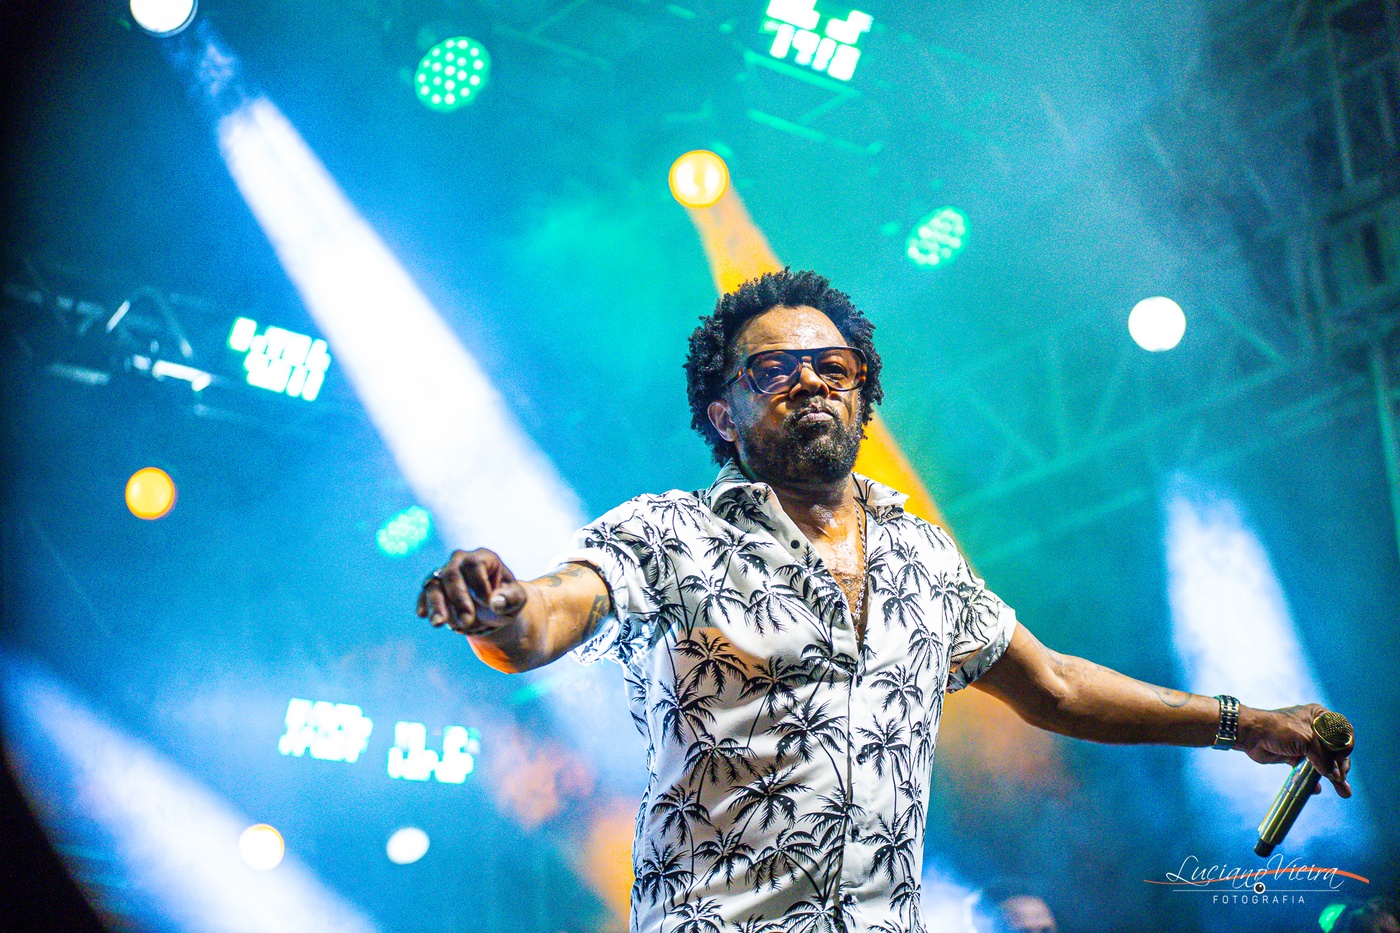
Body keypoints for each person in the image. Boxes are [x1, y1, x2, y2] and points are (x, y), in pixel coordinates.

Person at [416, 269, 1353, 933]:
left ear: (863, 394)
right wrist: (500, 608)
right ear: (723, 415)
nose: (809, 380)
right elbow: (547, 616)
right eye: (772, 371)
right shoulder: (670, 533)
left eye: (833, 365)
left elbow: (1058, 686)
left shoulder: (921, 556)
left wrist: (1243, 723)